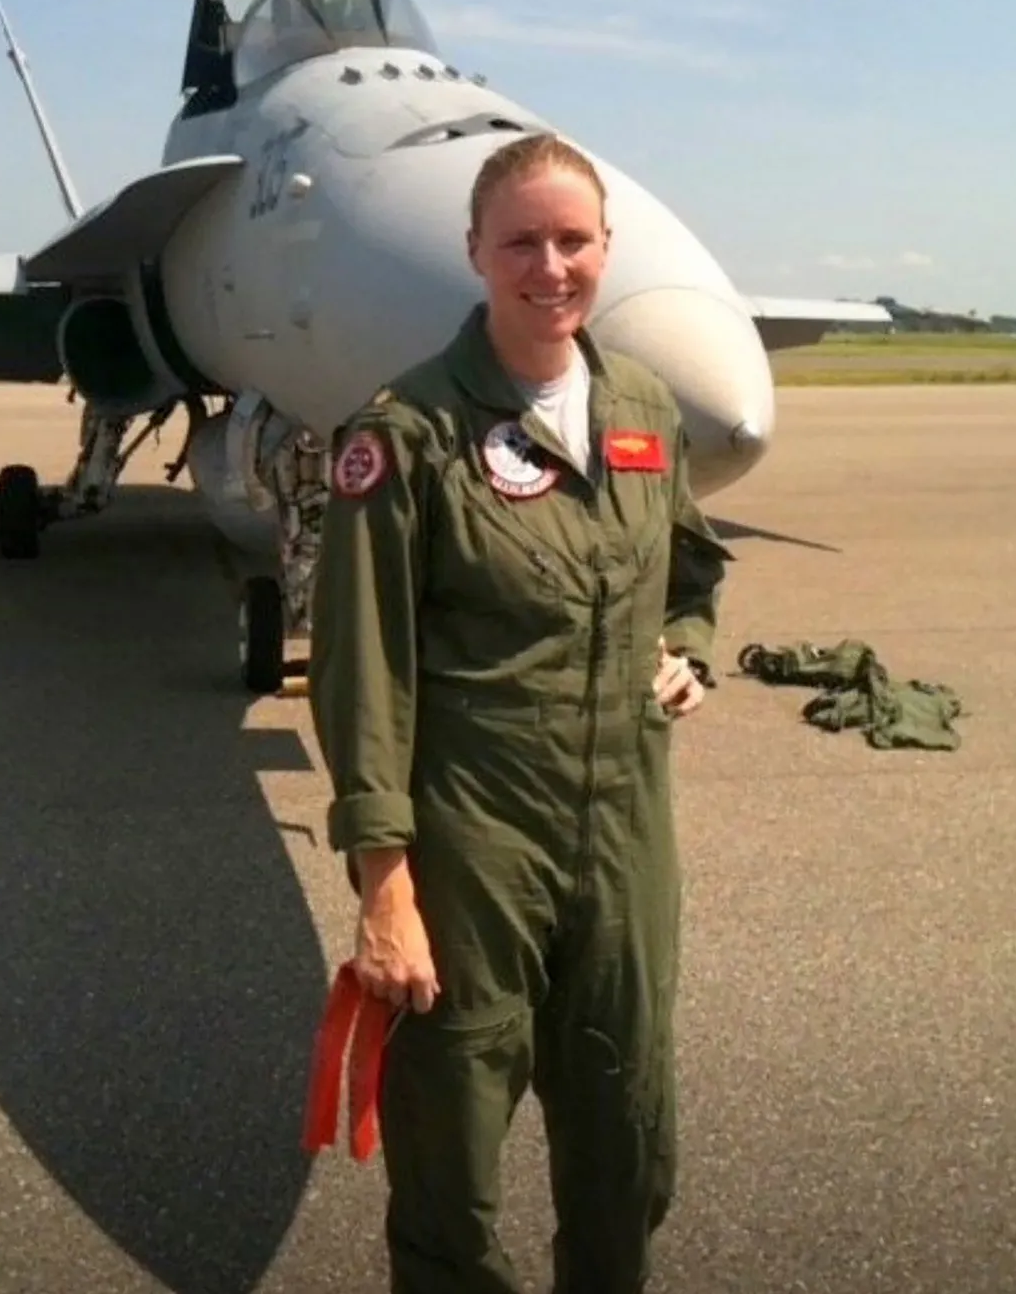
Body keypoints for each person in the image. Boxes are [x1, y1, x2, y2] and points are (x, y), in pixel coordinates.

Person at [308, 133, 730, 1294]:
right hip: (473, 847)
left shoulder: (642, 411)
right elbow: (363, 673)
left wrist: (687, 649)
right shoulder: (405, 434)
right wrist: (383, 890)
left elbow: (691, 573)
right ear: (477, 255)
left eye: (572, 240)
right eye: (520, 243)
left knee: (629, 1143)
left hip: (625, 844)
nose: (549, 266)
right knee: (450, 1174)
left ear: (604, 248)